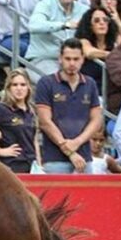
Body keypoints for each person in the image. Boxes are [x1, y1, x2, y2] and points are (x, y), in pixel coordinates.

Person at [34, 38, 103, 173]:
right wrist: (70, 152)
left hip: (84, 157)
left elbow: (96, 119)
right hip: (55, 159)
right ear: (60, 59)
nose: (72, 63)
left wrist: (77, 142)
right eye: (68, 58)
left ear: (83, 59)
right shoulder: (46, 83)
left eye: (76, 59)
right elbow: (44, 122)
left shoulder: (90, 84)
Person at [27, 0, 88, 78]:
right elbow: (33, 25)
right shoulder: (45, 5)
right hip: (44, 59)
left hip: (74, 61)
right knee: (60, 82)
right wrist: (64, 25)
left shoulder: (84, 10)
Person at [0, 68, 38, 172]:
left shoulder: (31, 109)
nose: (19, 88)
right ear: (8, 88)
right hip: (11, 166)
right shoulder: (2, 109)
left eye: (23, 85)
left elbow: (34, 140)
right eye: (15, 85)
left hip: (31, 165)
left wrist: (39, 164)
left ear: (28, 87)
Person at [75, 6, 117, 84]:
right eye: (97, 20)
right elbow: (89, 53)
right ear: (89, 25)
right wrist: (114, 54)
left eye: (105, 20)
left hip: (109, 88)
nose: (102, 23)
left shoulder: (113, 44)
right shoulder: (83, 41)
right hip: (87, 85)